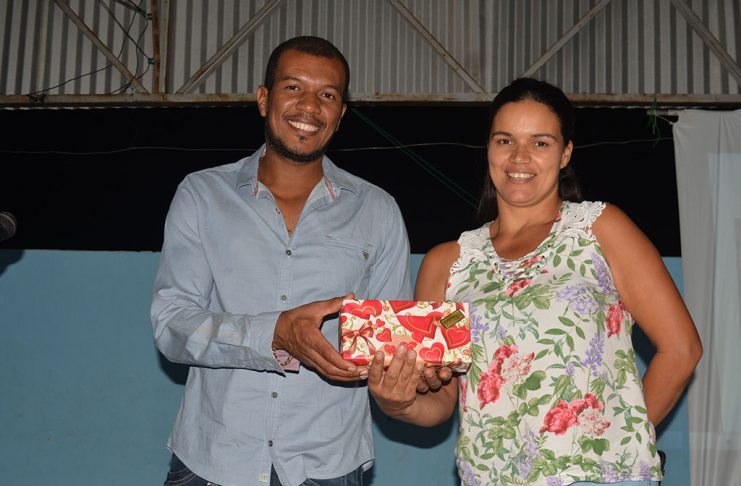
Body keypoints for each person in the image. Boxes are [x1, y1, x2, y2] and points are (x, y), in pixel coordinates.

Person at [368, 78, 702, 486]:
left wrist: (618, 443)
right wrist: (396, 403)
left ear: (565, 153)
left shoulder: (599, 229)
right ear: (489, 149)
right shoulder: (446, 263)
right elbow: (442, 401)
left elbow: (682, 350)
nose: (519, 157)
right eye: (505, 141)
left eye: (540, 142)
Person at [151, 36, 412, 486]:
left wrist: (415, 371)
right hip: (214, 460)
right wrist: (273, 333)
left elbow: (390, 343)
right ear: (263, 99)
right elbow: (172, 325)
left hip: (327, 465)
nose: (309, 106)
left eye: (327, 95)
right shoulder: (201, 195)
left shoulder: (378, 211)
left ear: (340, 115)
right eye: (293, 87)